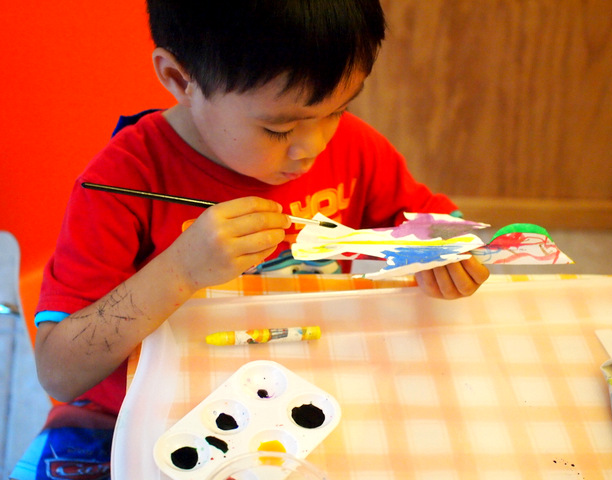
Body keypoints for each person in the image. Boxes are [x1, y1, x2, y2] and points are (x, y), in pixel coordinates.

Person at [12, 1, 489, 478]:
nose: (314, 147)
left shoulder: (355, 149)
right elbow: (59, 370)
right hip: (144, 415)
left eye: (338, 111)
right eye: (278, 129)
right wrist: (180, 270)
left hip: (309, 398)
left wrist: (445, 253)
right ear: (180, 79)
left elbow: (428, 222)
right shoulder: (124, 180)